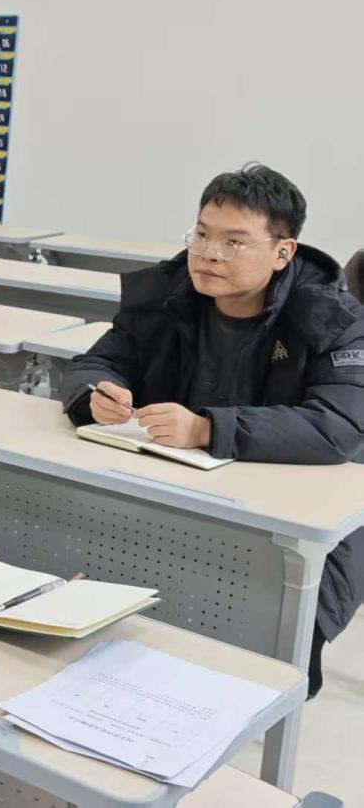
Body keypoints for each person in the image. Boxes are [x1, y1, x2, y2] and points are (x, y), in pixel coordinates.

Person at [60, 162, 364, 697]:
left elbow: (338, 427)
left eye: (234, 242)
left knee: (272, 661)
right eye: (201, 235)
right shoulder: (167, 296)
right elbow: (96, 363)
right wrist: (97, 396)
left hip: (298, 505)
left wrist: (207, 428)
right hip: (183, 487)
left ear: (283, 252)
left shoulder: (332, 318)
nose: (209, 254)